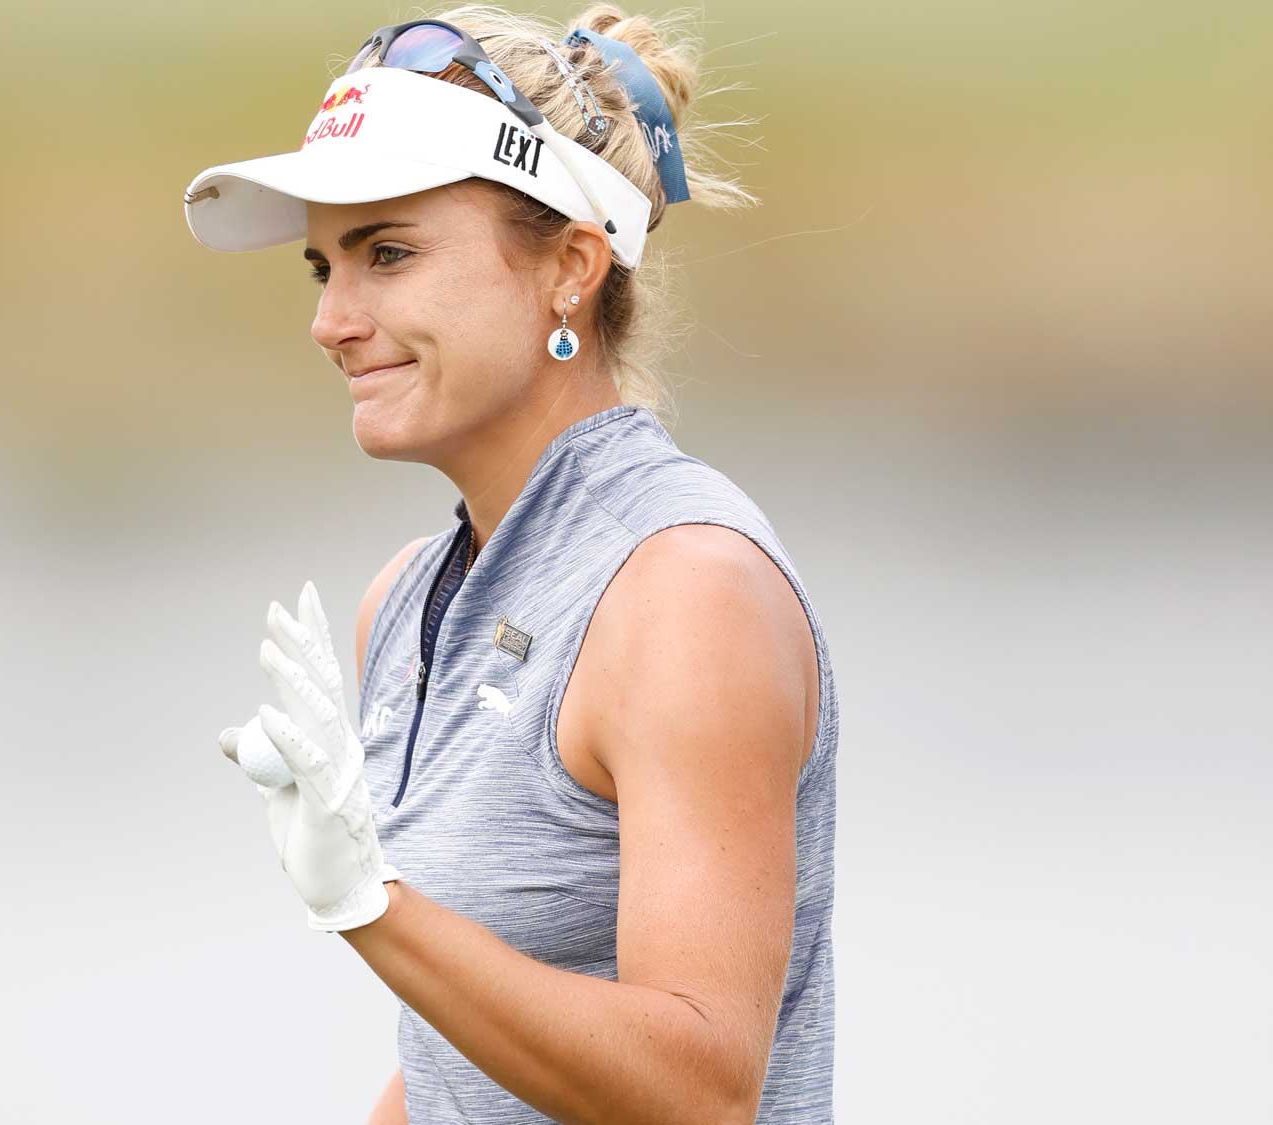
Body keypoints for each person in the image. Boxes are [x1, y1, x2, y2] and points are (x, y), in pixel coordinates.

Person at [193, 6, 838, 1122]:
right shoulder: (404, 601)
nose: (332, 320)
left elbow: (699, 1089)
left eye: (387, 254)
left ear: (569, 271)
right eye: (321, 266)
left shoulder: (684, 591)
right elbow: (460, 1054)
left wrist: (371, 907)